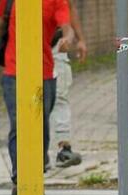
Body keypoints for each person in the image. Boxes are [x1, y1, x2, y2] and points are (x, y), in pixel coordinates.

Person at [0, 0, 74, 195]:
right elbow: (0, 26)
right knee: (19, 125)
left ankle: (36, 172)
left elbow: (67, 27)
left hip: (44, 73)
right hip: (14, 73)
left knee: (40, 127)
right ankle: (20, 178)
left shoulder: (56, 1)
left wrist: (68, 39)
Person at [51, 0, 87, 168]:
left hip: (55, 46)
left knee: (59, 95)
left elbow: (69, 7)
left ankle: (64, 148)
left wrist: (78, 39)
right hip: (27, 46)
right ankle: (35, 152)